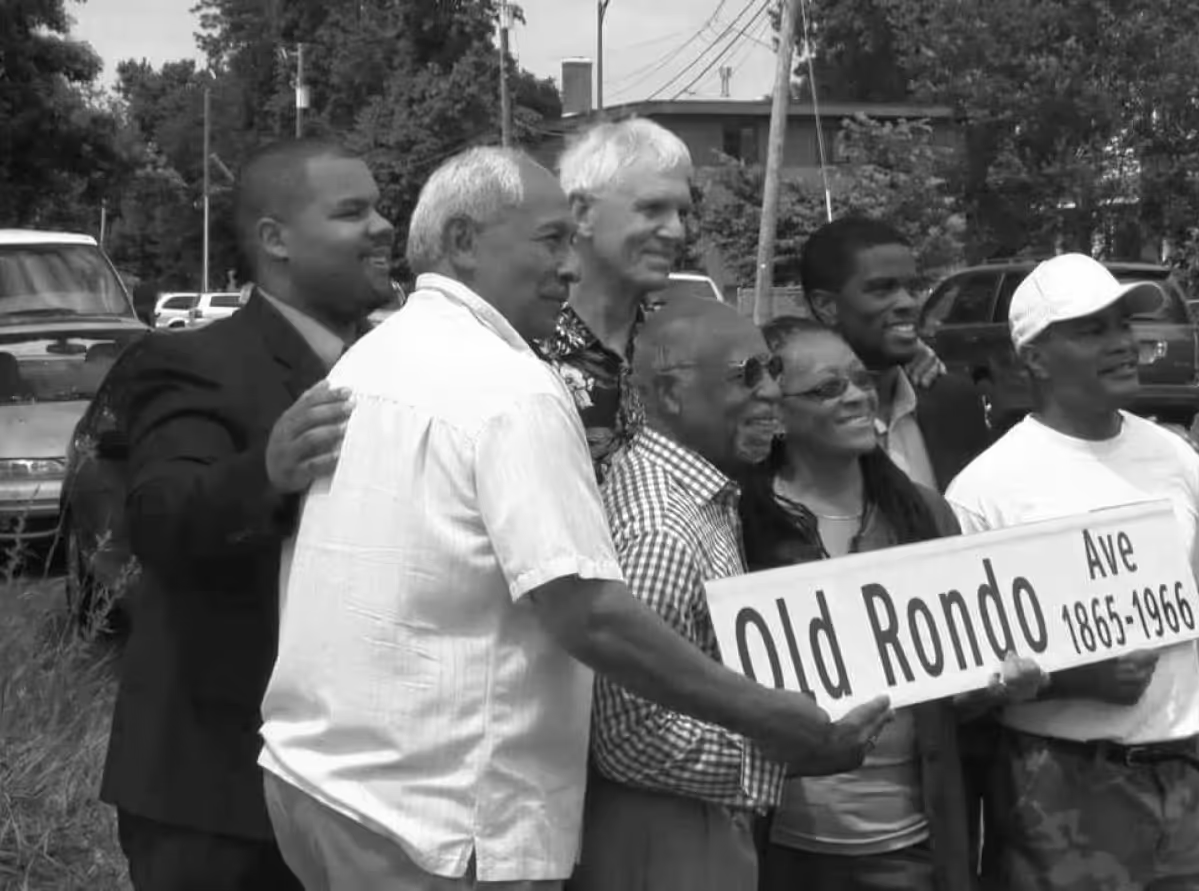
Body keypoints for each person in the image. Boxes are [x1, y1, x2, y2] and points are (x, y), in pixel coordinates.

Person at [258, 147, 889, 891]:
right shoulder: (512, 386)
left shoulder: (371, 357)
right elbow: (587, 611)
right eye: (551, 240)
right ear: (463, 243)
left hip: (322, 785)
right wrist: (777, 721)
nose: (570, 267)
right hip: (436, 820)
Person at [100, 137, 392, 890]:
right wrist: (265, 472)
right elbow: (161, 517)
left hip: (364, 790)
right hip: (218, 795)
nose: (384, 227)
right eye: (352, 212)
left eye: (381, 207)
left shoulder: (399, 368)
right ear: (275, 240)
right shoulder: (193, 362)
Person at [568, 297, 885, 891]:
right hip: (660, 841)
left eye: (772, 372)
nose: (771, 393)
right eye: (747, 375)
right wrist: (792, 754)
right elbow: (627, 735)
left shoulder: (702, 495)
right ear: (670, 395)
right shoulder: (661, 526)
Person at [944, 253, 1199, 891]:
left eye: (1123, 325)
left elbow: (1186, 607)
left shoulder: (1177, 461)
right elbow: (956, 686)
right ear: (1035, 358)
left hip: (1187, 770)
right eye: (1092, 329)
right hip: (1062, 780)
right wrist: (1075, 679)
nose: (1123, 344)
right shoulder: (986, 491)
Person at [739, 316, 1045, 891]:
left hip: (912, 845)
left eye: (859, 381)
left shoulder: (926, 515)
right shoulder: (736, 523)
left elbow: (957, 688)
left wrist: (997, 685)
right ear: (776, 411)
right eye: (828, 388)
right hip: (774, 847)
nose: (856, 396)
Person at [538, 117, 694, 482]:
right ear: (582, 214)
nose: (677, 231)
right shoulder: (526, 352)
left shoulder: (681, 348)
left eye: (682, 213)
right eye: (652, 209)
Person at [800, 216, 991, 492]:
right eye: (881, 289)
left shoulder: (955, 403)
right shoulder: (796, 422)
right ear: (827, 306)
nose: (908, 303)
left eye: (911, 288)